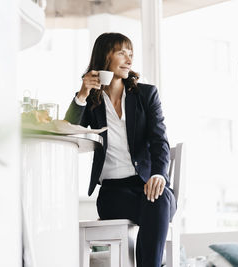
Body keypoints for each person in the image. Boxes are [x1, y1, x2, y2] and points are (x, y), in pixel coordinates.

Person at [64, 32, 176, 267]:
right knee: (155, 209)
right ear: (105, 56)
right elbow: (70, 127)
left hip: (146, 184)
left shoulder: (146, 94)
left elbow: (160, 141)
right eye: (121, 52)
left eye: (131, 54)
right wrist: (82, 93)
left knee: (161, 197)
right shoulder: (92, 101)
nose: (129, 59)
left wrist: (158, 175)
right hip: (113, 193)